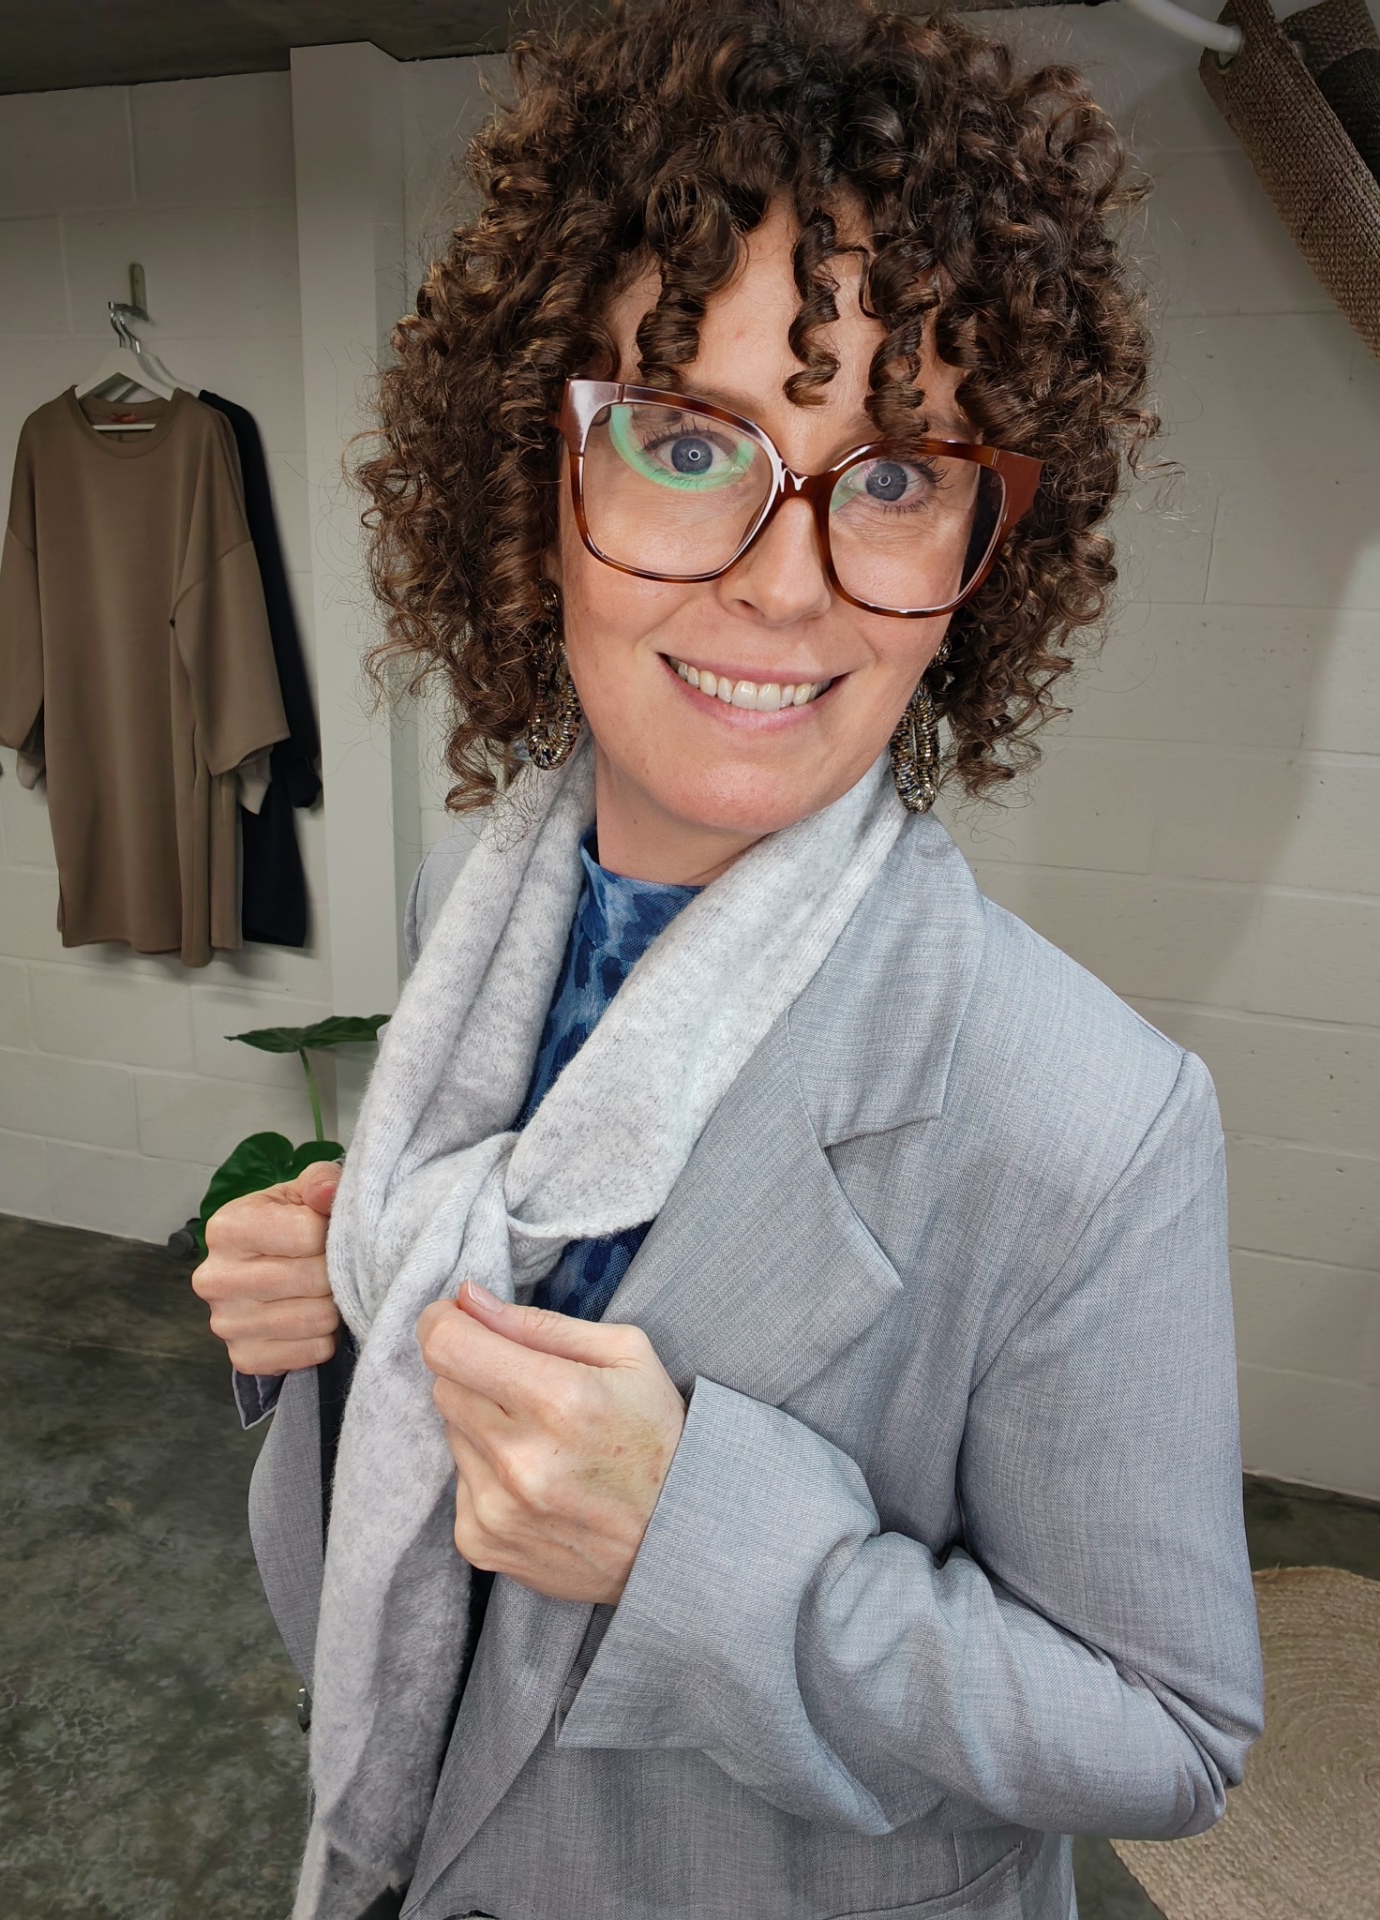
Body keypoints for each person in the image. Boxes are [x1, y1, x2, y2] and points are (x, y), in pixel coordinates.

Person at [192, 2, 1264, 1916]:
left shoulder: (1092, 1125)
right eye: (689, 441)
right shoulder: (469, 913)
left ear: (984, 555)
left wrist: (703, 1546)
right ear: (537, 481)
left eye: (896, 475)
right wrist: (345, 1303)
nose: (783, 579)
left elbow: (1167, 1734)